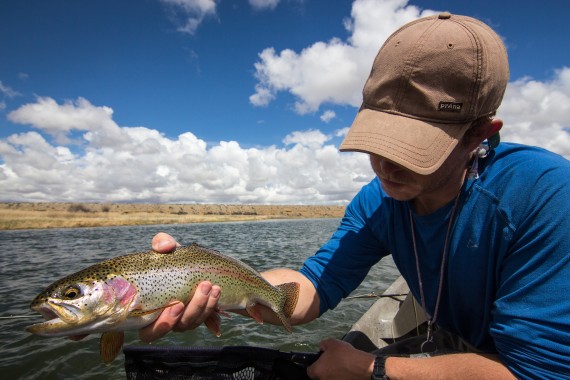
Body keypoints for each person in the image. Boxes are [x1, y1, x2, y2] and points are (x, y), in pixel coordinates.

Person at [140, 13, 570, 379]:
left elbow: (537, 373)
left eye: (414, 148)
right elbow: (313, 287)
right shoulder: (378, 201)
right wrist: (206, 285)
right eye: (378, 142)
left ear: (480, 133)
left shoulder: (546, 196)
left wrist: (372, 369)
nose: (385, 166)